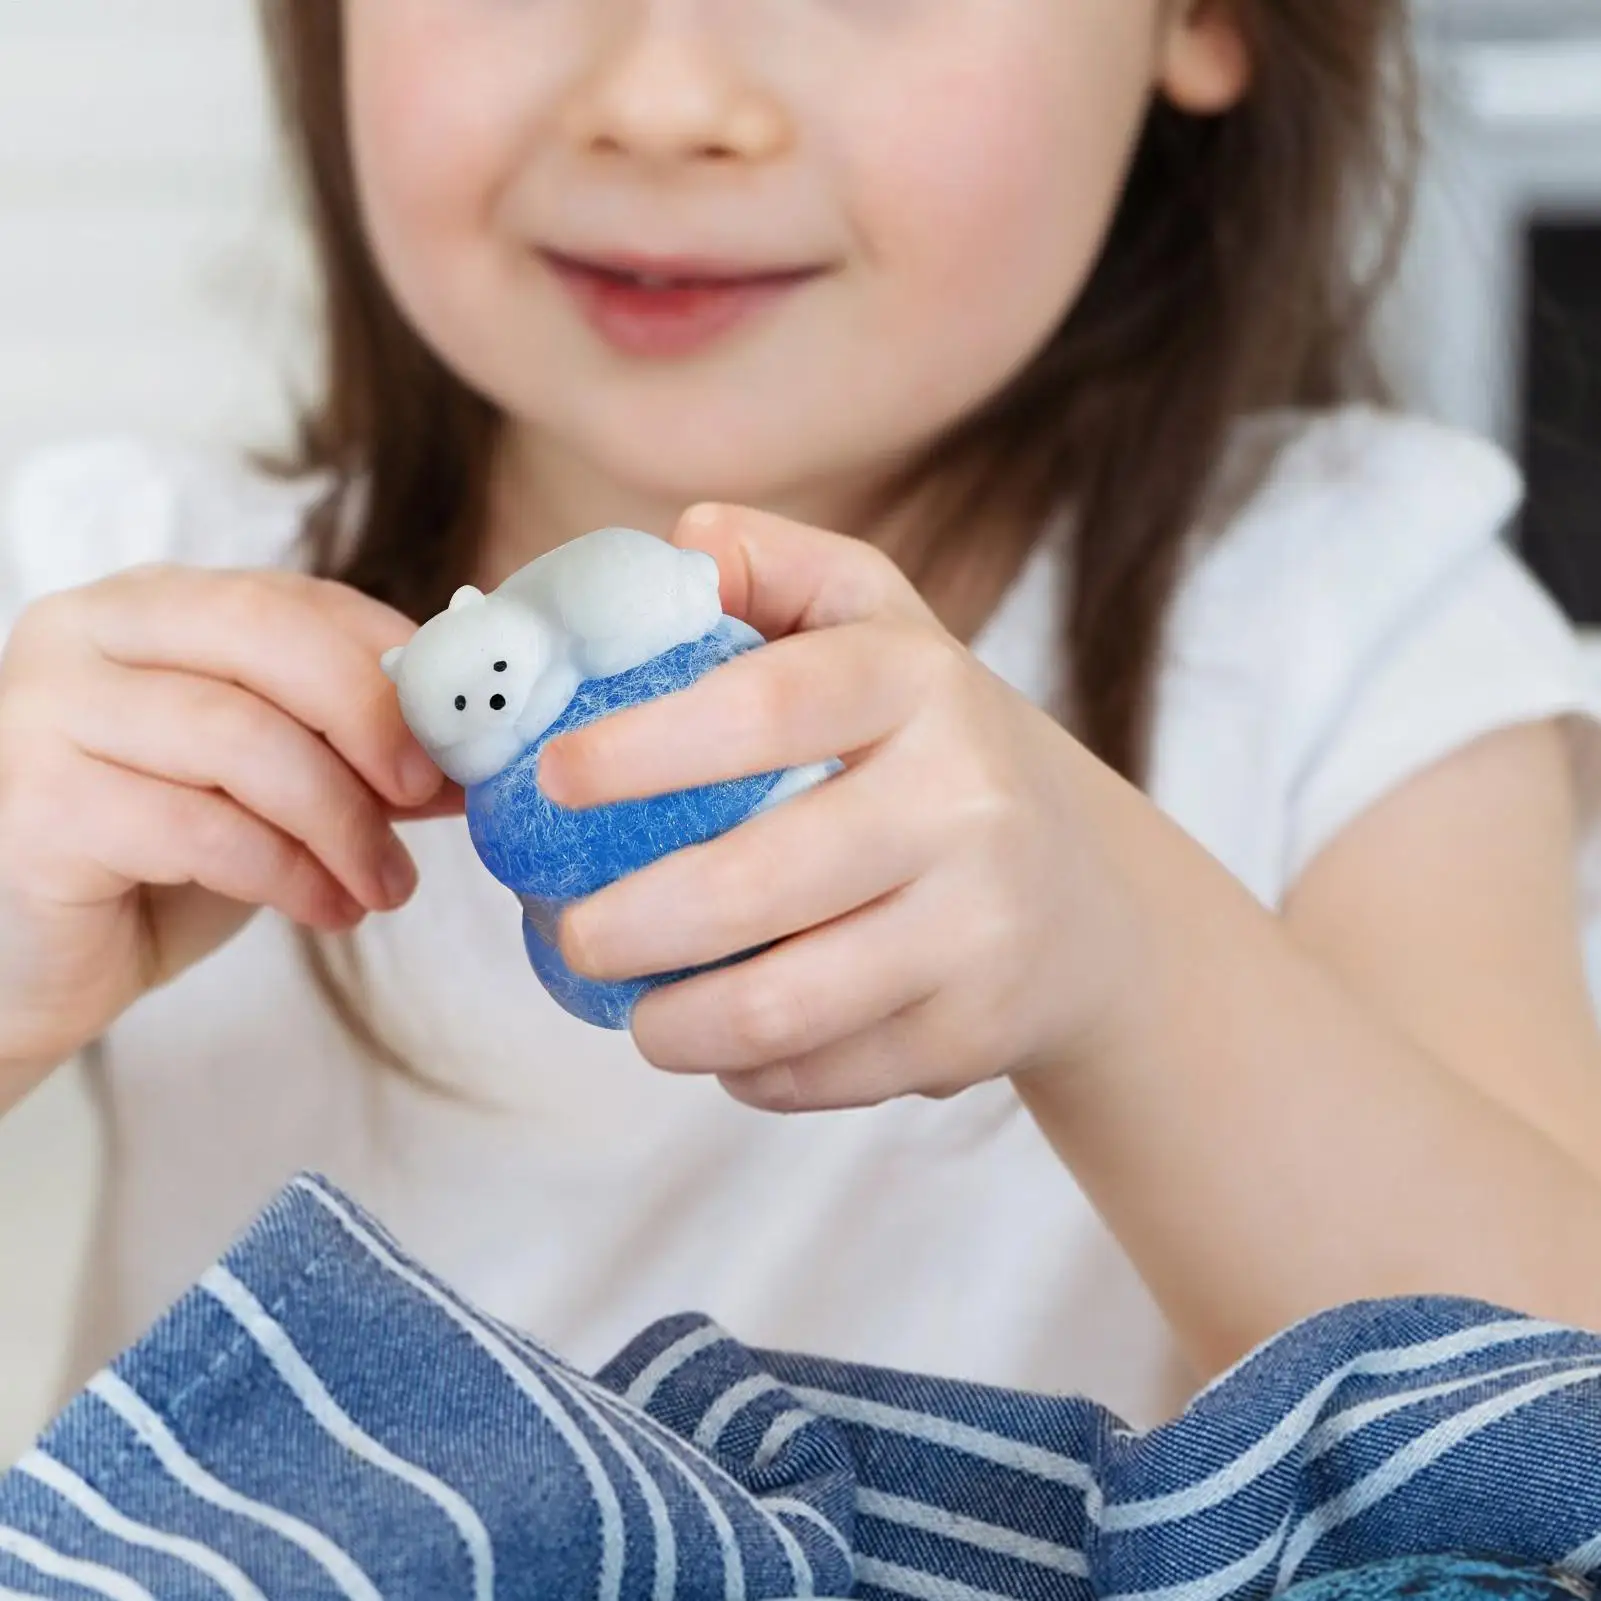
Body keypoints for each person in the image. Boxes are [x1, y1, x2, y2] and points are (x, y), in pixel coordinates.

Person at [0, 0, 1598, 1436]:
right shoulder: (97, 616)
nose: (667, 98)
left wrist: (1125, 962)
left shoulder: (1347, 621)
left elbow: (1550, 1419)